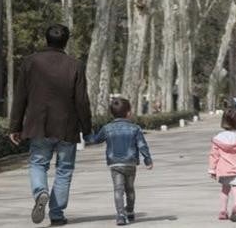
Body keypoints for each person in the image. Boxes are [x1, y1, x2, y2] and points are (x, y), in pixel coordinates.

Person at [9, 24, 92, 226]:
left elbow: (21, 96)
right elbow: (81, 101)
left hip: (39, 125)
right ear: (66, 41)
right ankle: (56, 214)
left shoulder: (30, 62)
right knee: (64, 170)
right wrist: (87, 128)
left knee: (38, 163)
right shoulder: (75, 65)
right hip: (66, 126)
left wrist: (15, 126)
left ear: (46, 39)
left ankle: (41, 191)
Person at [86, 98, 154, 226]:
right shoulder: (135, 128)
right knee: (130, 189)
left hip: (115, 163)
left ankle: (121, 216)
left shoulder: (107, 128)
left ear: (112, 113)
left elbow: (95, 140)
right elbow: (142, 145)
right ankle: (130, 211)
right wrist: (147, 160)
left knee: (118, 190)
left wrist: (86, 134)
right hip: (130, 163)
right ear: (128, 113)